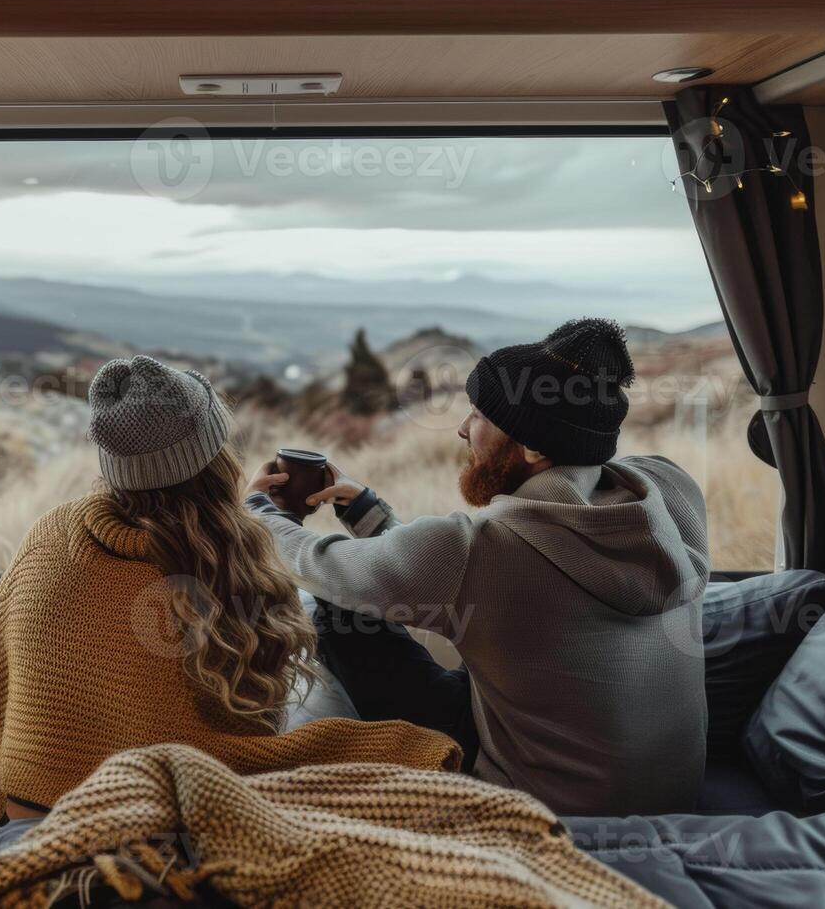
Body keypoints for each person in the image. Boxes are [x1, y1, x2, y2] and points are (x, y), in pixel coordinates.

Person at [0, 355, 459, 823]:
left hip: (28, 798)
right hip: (135, 809)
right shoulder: (222, 564)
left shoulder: (50, 530)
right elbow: (253, 718)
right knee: (332, 695)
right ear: (213, 458)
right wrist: (251, 525)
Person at [245, 318, 710, 816]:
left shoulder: (482, 549)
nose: (463, 428)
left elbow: (328, 566)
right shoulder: (669, 490)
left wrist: (258, 511)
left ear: (532, 448)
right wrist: (367, 511)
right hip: (677, 788)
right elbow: (457, 575)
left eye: (479, 414)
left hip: (550, 803)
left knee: (342, 617)